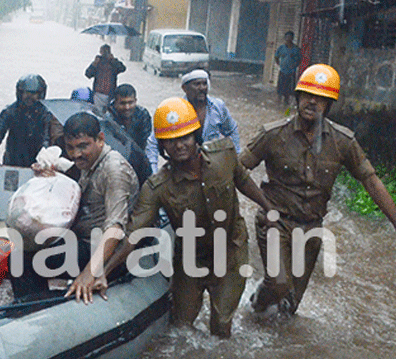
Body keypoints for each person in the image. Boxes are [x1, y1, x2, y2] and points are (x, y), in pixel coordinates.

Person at [70, 98, 270, 338]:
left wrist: (269, 208)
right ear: (162, 146)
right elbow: (133, 234)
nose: (179, 146)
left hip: (230, 252)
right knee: (180, 327)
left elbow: (243, 181)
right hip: (190, 260)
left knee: (221, 327)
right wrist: (104, 271)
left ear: (196, 136)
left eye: (185, 138)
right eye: (171, 141)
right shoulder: (158, 187)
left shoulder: (224, 155)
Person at [240, 63, 396, 316]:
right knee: (278, 285)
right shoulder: (273, 134)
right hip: (274, 222)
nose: (312, 102)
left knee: (290, 307)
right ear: (298, 97)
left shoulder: (343, 141)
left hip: (311, 228)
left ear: (329, 105)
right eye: (307, 95)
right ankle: (255, 307)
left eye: (321, 98)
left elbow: (371, 181)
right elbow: (237, 171)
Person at [24, 112, 137, 299]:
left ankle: (35, 309)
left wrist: (89, 272)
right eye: (70, 147)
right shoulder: (87, 162)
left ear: (100, 139)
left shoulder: (114, 170)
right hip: (82, 237)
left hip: (103, 248)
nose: (76, 154)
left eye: (83, 146)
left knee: (30, 261)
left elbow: (115, 228)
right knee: (25, 247)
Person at [145, 69, 240, 172]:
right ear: (185, 88)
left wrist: (235, 158)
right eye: (197, 84)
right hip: (183, 168)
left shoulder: (218, 107)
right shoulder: (174, 110)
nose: (202, 88)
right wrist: (153, 171)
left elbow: (232, 130)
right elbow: (153, 143)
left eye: (204, 83)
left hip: (213, 167)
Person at [0, 74, 63, 167]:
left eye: (33, 94)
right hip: (12, 163)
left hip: (36, 165)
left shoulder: (46, 114)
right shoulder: (10, 111)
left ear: (40, 94)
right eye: (26, 93)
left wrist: (43, 162)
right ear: (20, 93)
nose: (29, 97)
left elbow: (46, 139)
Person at [107, 83, 153, 155]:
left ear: (135, 101)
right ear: (115, 103)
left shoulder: (142, 114)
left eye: (130, 102)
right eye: (122, 103)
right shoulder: (108, 117)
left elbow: (147, 142)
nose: (127, 107)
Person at [85, 44, 126, 112]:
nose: (105, 53)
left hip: (110, 94)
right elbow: (88, 74)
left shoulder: (113, 63)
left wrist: (113, 60)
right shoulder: (98, 62)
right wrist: (94, 64)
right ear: (100, 52)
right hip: (98, 94)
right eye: (104, 51)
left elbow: (123, 68)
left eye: (107, 51)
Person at [274, 31, 302, 105]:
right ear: (285, 38)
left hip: (291, 72)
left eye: (290, 37)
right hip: (282, 71)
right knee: (280, 91)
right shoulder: (281, 48)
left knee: (289, 92)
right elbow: (276, 57)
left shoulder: (296, 49)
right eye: (287, 37)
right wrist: (279, 64)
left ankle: (286, 106)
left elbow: (299, 59)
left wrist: (294, 66)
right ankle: (278, 105)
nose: (288, 39)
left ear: (292, 38)